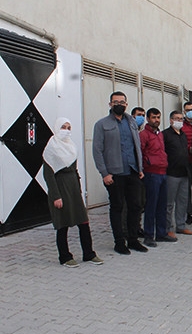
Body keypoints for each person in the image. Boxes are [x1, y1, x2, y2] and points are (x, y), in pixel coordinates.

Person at [93, 91, 148, 254]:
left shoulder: (131, 122)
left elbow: (136, 145)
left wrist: (140, 168)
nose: (119, 104)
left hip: (132, 171)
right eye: (115, 102)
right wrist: (104, 173)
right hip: (114, 174)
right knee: (117, 208)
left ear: (126, 104)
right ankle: (119, 242)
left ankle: (133, 240)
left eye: (122, 102)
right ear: (110, 104)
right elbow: (97, 150)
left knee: (136, 206)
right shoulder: (101, 124)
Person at [43, 117, 103, 267]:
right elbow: (48, 175)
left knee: (83, 221)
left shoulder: (71, 146)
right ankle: (65, 257)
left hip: (73, 188)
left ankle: (89, 253)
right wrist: (56, 196)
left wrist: (79, 190)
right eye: (63, 127)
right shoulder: (51, 148)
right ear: (57, 128)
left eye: (69, 127)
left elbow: (75, 170)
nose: (66, 130)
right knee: (63, 223)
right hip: (60, 187)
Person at [140, 108, 175, 247]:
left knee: (162, 205)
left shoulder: (159, 134)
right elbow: (141, 153)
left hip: (162, 172)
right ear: (148, 119)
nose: (157, 120)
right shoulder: (144, 135)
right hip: (151, 173)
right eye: (154, 117)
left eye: (158, 117)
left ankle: (161, 233)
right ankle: (149, 235)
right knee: (151, 206)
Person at [163, 110, 192, 237]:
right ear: (171, 120)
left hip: (184, 173)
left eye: (181, 119)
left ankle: (181, 226)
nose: (179, 121)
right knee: (169, 203)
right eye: (177, 118)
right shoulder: (165, 135)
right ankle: (167, 228)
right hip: (171, 173)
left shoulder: (182, 135)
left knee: (182, 202)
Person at [129, 106, 146, 237]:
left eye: (143, 115)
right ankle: (127, 230)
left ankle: (137, 227)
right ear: (133, 116)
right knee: (129, 203)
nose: (141, 117)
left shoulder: (142, 132)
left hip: (141, 171)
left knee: (140, 202)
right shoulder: (129, 130)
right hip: (130, 172)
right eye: (139, 115)